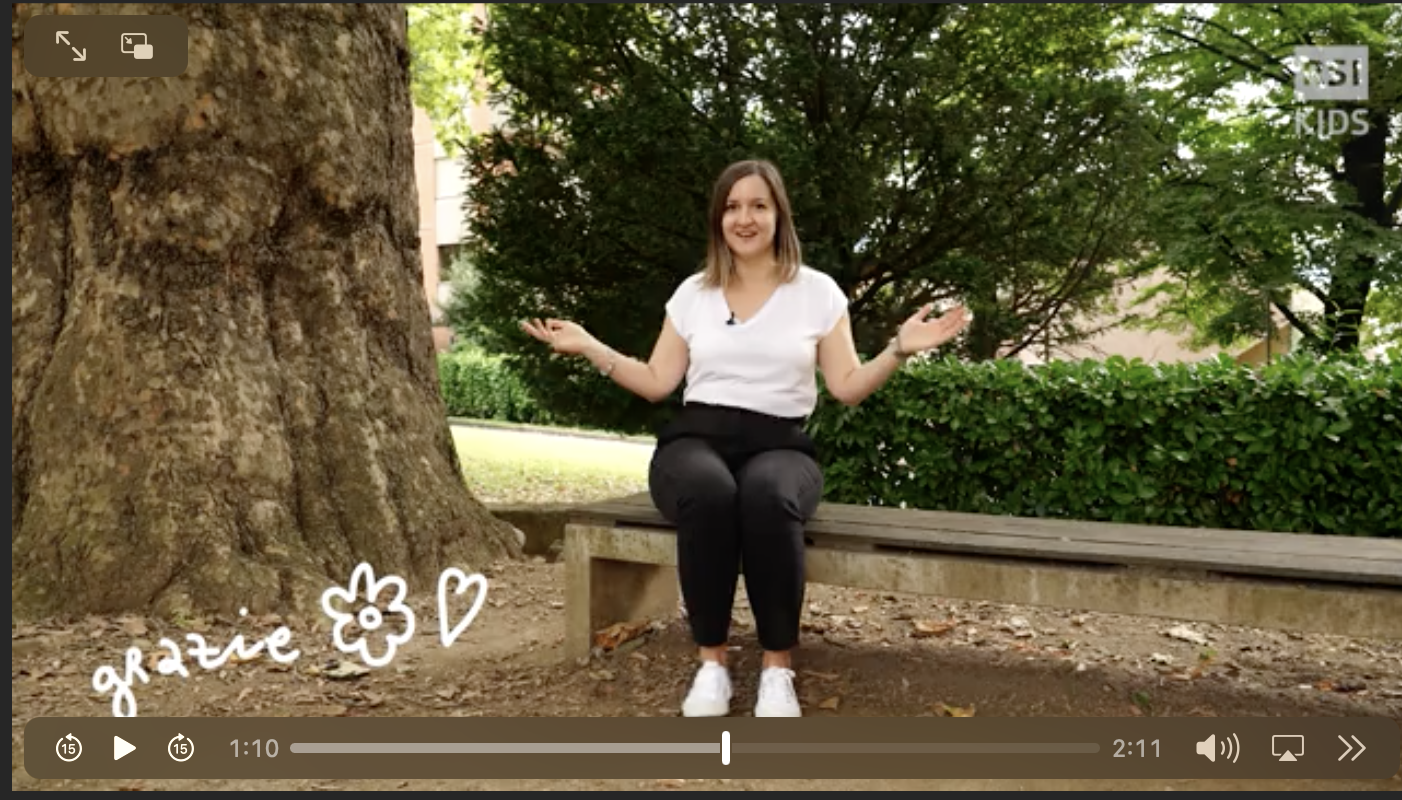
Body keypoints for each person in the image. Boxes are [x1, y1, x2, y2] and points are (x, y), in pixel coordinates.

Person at [522, 159, 968, 717]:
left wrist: (898, 349)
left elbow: (847, 386)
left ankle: (777, 668)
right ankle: (712, 663)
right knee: (709, 491)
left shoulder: (817, 293)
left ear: (779, 214)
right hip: (695, 441)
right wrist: (592, 346)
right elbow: (659, 382)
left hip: (781, 445)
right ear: (719, 219)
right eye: (732, 206)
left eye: (758, 204)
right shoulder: (693, 293)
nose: (745, 217)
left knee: (767, 494)